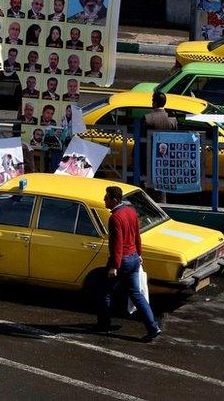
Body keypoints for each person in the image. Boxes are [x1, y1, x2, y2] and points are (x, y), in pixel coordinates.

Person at [96, 186, 161, 342]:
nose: (104, 200)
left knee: (104, 291)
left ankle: (103, 324)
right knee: (137, 294)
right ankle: (153, 327)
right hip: (133, 259)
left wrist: (114, 266)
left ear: (115, 200)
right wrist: (139, 254)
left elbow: (117, 244)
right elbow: (137, 236)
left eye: (107, 197)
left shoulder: (115, 218)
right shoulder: (131, 212)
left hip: (122, 260)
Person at [143, 91, 176, 202]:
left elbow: (141, 141)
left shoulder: (148, 119)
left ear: (155, 102)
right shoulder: (172, 121)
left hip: (149, 159)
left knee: (149, 188)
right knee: (162, 187)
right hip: (165, 161)